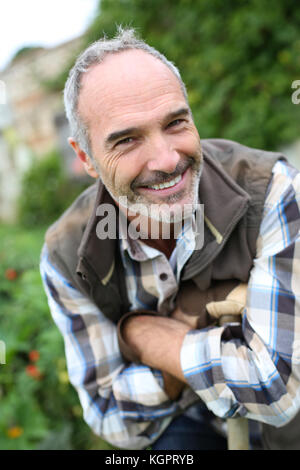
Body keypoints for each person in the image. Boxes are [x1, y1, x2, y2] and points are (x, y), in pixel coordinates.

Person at [40, 27, 300, 450]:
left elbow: (276, 390)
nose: (166, 160)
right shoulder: (67, 254)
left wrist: (149, 338)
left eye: (175, 122)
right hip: (188, 435)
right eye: (126, 140)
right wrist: (209, 356)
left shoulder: (272, 193)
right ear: (85, 157)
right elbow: (110, 417)